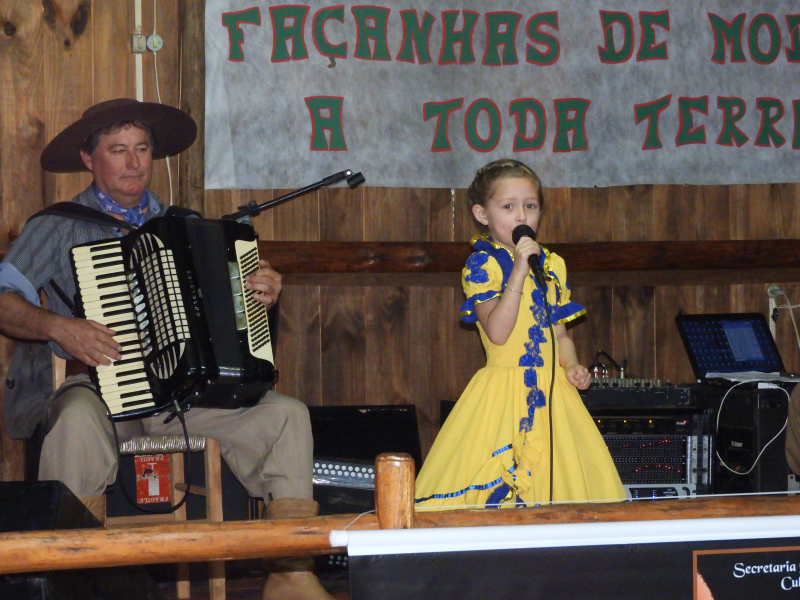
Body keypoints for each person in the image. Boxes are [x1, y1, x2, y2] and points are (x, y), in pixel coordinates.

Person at [0, 98, 333, 600]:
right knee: (72, 422)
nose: (133, 162)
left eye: (141, 149)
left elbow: (233, 330)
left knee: (287, 415)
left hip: (185, 399)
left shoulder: (187, 226)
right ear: (90, 160)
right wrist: (60, 327)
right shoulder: (57, 226)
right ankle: (73, 576)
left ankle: (289, 573)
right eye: (118, 150)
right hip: (99, 391)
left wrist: (256, 295)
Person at [414, 159, 625, 509]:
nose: (521, 217)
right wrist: (518, 273)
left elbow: (560, 333)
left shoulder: (552, 265)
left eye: (530, 206)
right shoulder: (483, 264)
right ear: (482, 214)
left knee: (562, 486)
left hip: (552, 394)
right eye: (508, 207)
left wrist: (572, 366)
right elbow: (497, 332)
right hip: (503, 392)